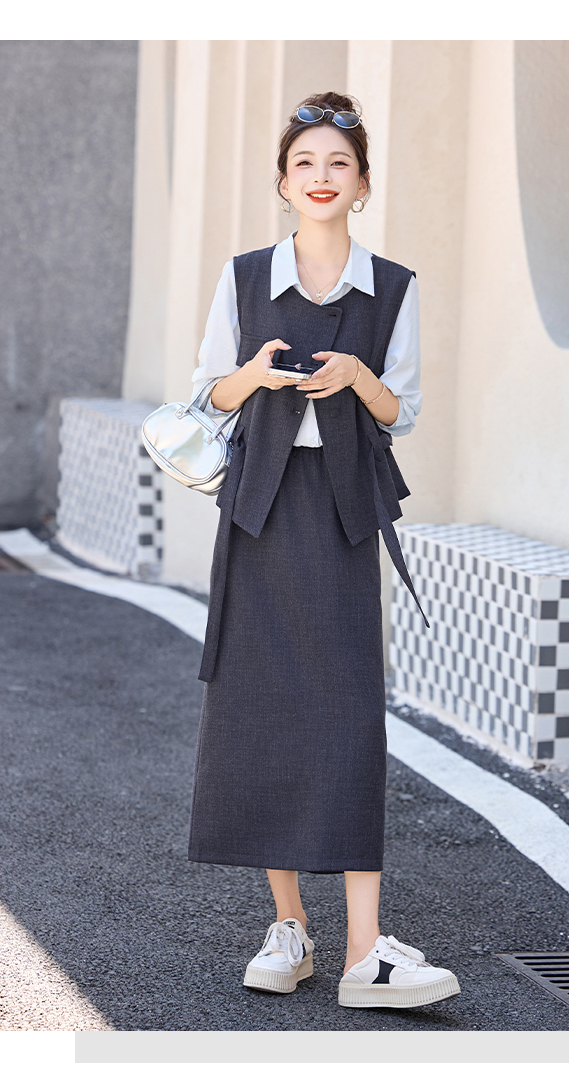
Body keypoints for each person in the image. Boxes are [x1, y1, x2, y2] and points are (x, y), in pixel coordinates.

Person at [186, 91, 460, 1010]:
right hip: (258, 511)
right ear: (282, 181)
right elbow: (207, 395)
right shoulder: (243, 278)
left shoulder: (393, 286)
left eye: (338, 163)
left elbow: (401, 411)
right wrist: (256, 375)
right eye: (304, 162)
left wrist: (357, 377)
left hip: (343, 514)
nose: (320, 176)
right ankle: (290, 928)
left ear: (363, 183)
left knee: (347, 719)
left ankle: (365, 953)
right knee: (263, 710)